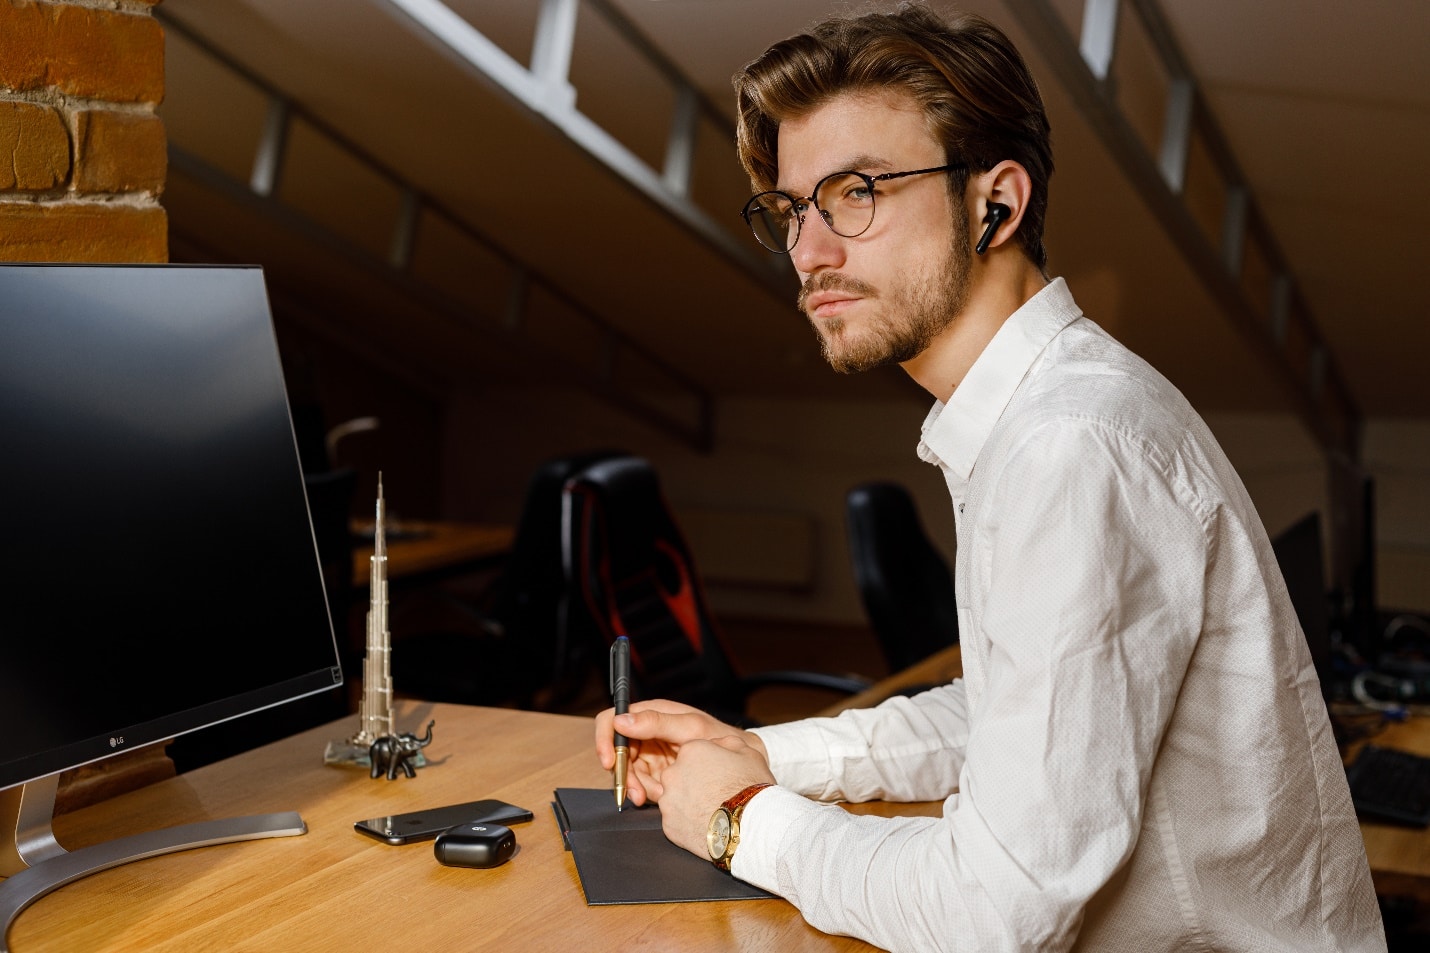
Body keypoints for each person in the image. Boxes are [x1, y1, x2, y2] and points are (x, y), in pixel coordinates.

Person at [594, 4, 1386, 950]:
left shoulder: (1070, 445)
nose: (809, 252)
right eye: (794, 209)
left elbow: (996, 911)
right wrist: (763, 750)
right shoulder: (1038, 415)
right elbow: (1017, 712)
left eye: (855, 192)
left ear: (994, 204)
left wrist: (742, 817)